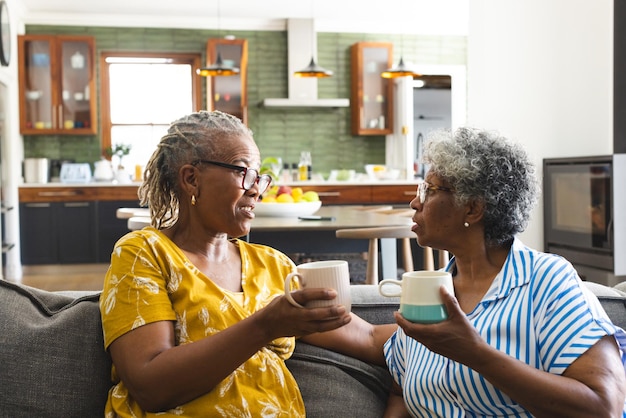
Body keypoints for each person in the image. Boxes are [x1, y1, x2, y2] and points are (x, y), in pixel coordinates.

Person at [99, 110, 395, 417]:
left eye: (259, 177)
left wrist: (439, 328)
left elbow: (369, 338)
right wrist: (266, 325)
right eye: (243, 173)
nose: (257, 189)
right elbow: (150, 386)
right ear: (191, 179)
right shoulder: (144, 253)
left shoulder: (273, 265)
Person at [383, 127, 626, 418]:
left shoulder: (546, 280)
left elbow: (603, 408)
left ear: (472, 209)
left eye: (430, 190)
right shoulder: (428, 289)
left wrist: (476, 354)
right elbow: (400, 387)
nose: (415, 202)